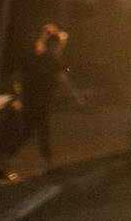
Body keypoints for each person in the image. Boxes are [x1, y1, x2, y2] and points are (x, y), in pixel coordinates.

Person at [6, 23, 88, 171]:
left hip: (29, 100)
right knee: (41, 132)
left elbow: (14, 76)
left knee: (29, 132)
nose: (61, 49)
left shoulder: (33, 58)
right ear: (55, 45)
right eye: (60, 46)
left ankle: (7, 158)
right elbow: (64, 81)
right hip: (41, 102)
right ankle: (50, 165)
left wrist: (18, 93)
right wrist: (77, 98)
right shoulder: (52, 61)